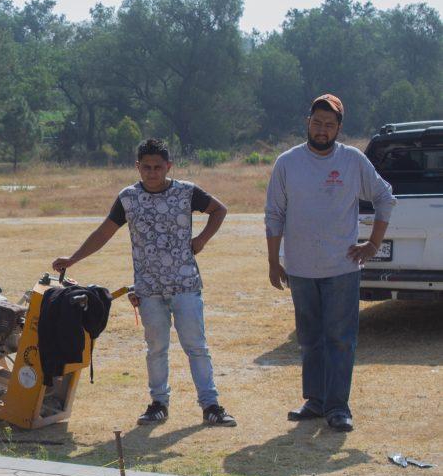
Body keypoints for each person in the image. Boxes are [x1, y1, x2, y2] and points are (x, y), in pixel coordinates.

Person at [52, 138, 236, 427]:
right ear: (137, 167)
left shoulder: (186, 193)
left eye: (158, 167)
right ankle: (158, 403)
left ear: (168, 166)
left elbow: (219, 209)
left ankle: (211, 405)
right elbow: (104, 232)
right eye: (146, 167)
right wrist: (73, 259)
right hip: (148, 289)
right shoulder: (128, 198)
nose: (152, 173)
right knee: (156, 349)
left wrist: (201, 240)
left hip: (185, 285)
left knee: (196, 347)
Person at [265, 94, 396, 433]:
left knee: (340, 337)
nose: (322, 130)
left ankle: (338, 407)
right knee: (310, 337)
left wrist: (373, 243)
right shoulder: (287, 163)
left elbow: (385, 197)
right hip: (300, 268)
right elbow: (274, 214)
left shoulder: (352, 160)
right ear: (307, 122)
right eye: (317, 122)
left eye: (329, 124)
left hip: (342, 267)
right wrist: (273, 262)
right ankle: (316, 401)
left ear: (339, 128)